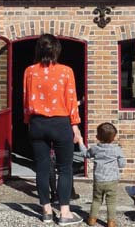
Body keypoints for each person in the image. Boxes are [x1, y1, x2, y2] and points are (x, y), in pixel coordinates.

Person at [23, 33, 83, 226]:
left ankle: (46, 211)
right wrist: (75, 125)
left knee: (41, 167)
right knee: (65, 168)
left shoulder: (29, 71)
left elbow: (25, 99)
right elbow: (71, 100)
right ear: (56, 50)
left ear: (38, 50)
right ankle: (64, 213)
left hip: (37, 123)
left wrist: (28, 120)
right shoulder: (66, 71)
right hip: (60, 122)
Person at [78, 122, 126, 227]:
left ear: (97, 137)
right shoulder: (117, 149)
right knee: (111, 202)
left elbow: (85, 154)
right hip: (112, 181)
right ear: (114, 138)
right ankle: (111, 222)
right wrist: (120, 158)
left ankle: (91, 219)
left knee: (96, 200)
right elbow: (122, 164)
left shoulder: (95, 148)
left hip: (99, 180)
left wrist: (81, 143)